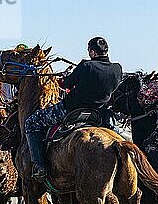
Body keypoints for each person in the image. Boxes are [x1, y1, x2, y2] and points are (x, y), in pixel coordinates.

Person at [24, 37, 123, 182]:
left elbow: (66, 85)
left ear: (92, 51)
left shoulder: (86, 65)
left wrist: (65, 78)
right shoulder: (117, 69)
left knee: (32, 122)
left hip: (71, 110)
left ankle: (39, 166)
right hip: (99, 114)